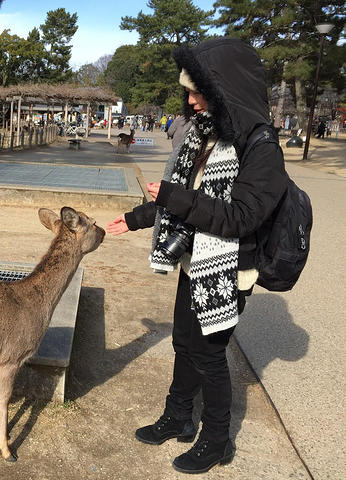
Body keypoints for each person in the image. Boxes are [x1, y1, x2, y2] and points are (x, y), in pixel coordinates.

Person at [106, 37, 287, 474]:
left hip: (228, 267)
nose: (190, 101)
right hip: (196, 260)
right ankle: (177, 416)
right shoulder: (207, 135)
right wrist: (137, 218)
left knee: (208, 354)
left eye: (198, 91)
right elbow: (187, 198)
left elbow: (240, 217)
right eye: (188, 92)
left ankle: (218, 438)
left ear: (225, 89)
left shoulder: (260, 146)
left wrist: (173, 197)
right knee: (184, 343)